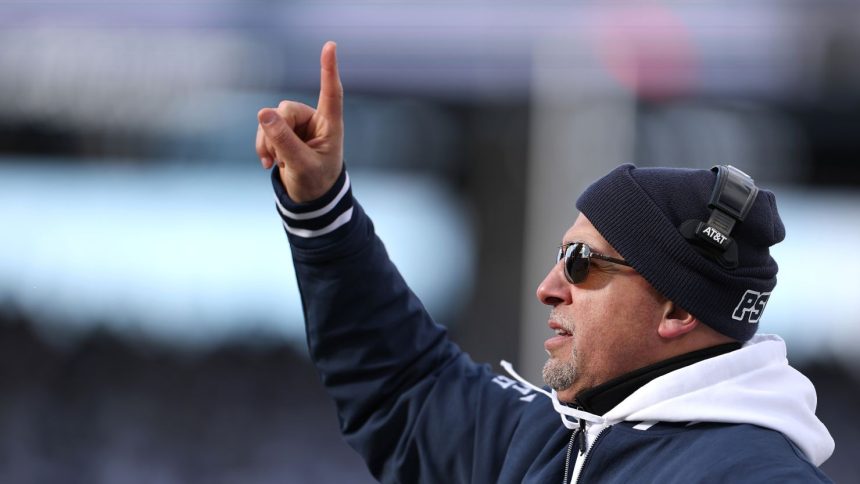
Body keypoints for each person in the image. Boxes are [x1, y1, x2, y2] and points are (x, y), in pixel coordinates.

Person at [254, 41, 835, 483]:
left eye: (582, 263)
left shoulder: (750, 474)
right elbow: (405, 387)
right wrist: (321, 206)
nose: (549, 287)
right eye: (561, 257)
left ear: (676, 308)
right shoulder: (555, 437)